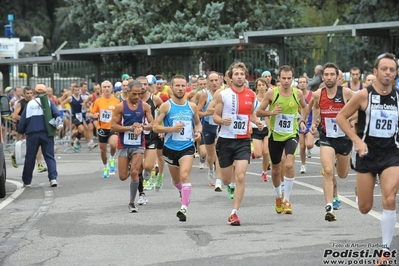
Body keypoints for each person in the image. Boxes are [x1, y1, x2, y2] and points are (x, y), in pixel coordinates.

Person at [336, 53, 398, 265]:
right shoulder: (363, 95)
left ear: (396, 72)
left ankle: (385, 251)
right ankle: (360, 190)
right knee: (364, 207)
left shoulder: (398, 97)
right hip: (367, 154)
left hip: (392, 154)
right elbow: (341, 117)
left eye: (392, 69)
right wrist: (356, 140)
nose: (388, 73)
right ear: (375, 72)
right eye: (384, 69)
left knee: (389, 198)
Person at [214, 62, 264, 226]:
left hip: (243, 140)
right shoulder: (223, 95)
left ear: (245, 76)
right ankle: (229, 184)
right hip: (225, 140)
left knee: (241, 176)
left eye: (242, 74)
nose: (239, 77)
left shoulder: (251, 94)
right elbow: (215, 116)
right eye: (236, 74)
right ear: (231, 77)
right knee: (228, 180)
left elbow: (252, 114)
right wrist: (222, 120)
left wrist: (258, 123)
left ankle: (234, 213)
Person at [257, 65, 307, 215]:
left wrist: (302, 120)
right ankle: (278, 196)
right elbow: (258, 111)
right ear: (278, 78)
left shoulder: (297, 93)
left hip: (291, 134)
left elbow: (304, 107)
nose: (286, 81)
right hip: (275, 136)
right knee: (276, 170)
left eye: (289, 78)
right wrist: (272, 112)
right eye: (283, 78)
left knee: (290, 164)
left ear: (293, 78)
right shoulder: (272, 93)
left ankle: (287, 200)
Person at [308, 62, 354, 222]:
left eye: (331, 74)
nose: (328, 77)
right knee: (327, 171)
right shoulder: (318, 94)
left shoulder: (347, 93)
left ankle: (337, 163)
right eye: (326, 75)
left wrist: (353, 121)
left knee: (342, 174)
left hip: (344, 138)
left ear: (337, 77)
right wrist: (313, 123)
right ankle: (329, 206)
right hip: (327, 137)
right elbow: (314, 107)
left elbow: (361, 108)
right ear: (323, 77)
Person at [153, 75, 202, 222]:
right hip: (169, 148)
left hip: (187, 147)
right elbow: (155, 127)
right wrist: (171, 129)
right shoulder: (166, 106)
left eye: (182, 86)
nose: (180, 89)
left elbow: (198, 124)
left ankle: (184, 209)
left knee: (185, 174)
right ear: (172, 87)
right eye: (177, 86)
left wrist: (198, 132)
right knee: (176, 180)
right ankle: (182, 190)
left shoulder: (191, 106)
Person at [111, 80, 153, 212]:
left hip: (138, 144)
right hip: (123, 144)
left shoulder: (145, 106)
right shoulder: (120, 107)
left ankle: (132, 202)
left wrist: (142, 127)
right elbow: (113, 126)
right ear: (127, 91)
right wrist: (130, 127)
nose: (136, 96)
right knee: (123, 176)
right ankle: (132, 165)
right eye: (134, 94)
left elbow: (153, 124)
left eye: (139, 94)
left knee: (135, 172)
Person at [17, 84, 61, 187]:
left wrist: (21, 132)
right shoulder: (49, 103)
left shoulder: (30, 104)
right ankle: (53, 178)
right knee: (49, 156)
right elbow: (57, 115)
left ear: (35, 93)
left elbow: (23, 121)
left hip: (32, 134)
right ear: (45, 93)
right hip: (46, 133)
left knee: (30, 157)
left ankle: (27, 181)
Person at [89, 81, 121, 178]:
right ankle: (105, 167)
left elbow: (121, 113)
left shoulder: (117, 101)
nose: (107, 88)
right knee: (103, 150)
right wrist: (94, 115)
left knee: (113, 144)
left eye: (108, 87)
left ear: (111, 89)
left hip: (113, 127)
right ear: (102, 89)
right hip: (102, 127)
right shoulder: (98, 101)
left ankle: (111, 158)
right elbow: (90, 114)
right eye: (104, 87)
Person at [197, 71, 223, 190]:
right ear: (208, 82)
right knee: (210, 155)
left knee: (218, 153)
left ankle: (218, 179)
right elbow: (197, 112)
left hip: (219, 126)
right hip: (208, 126)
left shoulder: (224, 93)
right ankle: (211, 169)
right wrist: (210, 112)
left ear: (220, 80)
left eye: (216, 80)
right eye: (211, 81)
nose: (214, 83)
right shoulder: (204, 95)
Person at [251, 78, 270, 182]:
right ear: (256, 87)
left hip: (267, 129)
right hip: (256, 128)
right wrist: (252, 125)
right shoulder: (254, 101)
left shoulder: (269, 100)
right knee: (258, 154)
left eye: (263, 85)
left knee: (266, 152)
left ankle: (264, 172)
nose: (261, 87)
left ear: (266, 86)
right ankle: (253, 153)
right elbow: (250, 114)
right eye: (259, 85)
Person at [297, 76, 314, 174]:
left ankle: (310, 149)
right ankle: (303, 165)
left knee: (310, 144)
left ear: (307, 84)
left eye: (304, 82)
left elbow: (316, 107)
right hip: (300, 121)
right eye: (300, 82)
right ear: (298, 84)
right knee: (302, 146)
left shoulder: (312, 95)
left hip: (310, 121)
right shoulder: (296, 95)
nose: (302, 84)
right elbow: (298, 108)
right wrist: (303, 117)